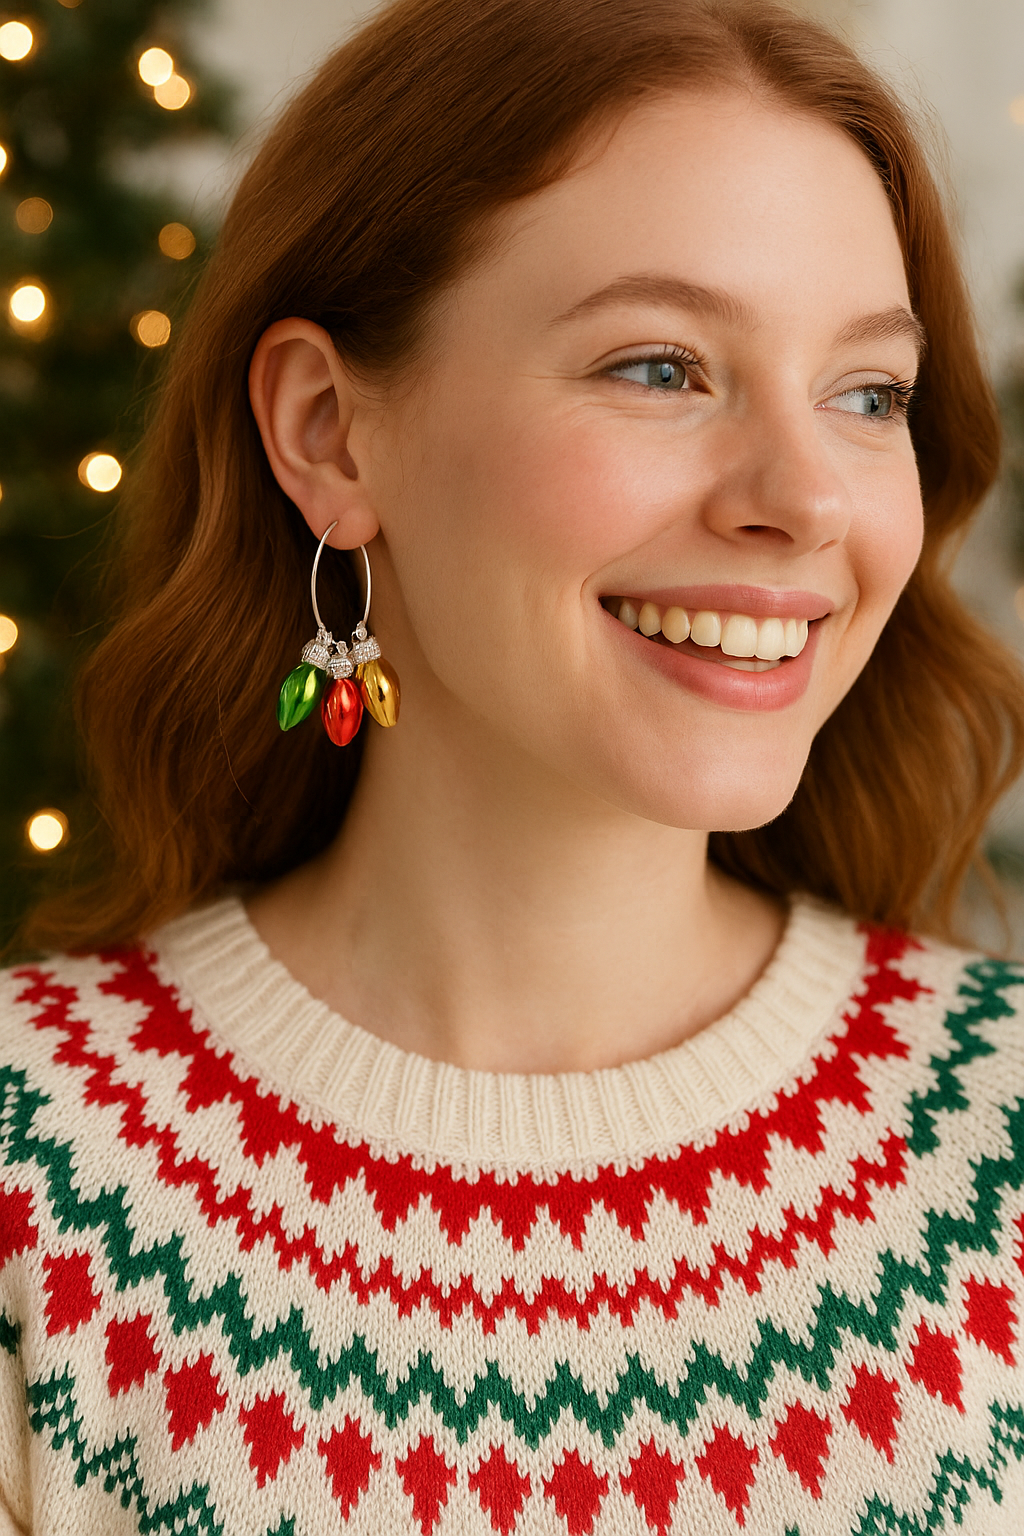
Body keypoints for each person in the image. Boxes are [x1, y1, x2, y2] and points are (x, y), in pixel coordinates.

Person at [2, 0, 1024, 1530]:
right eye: (661, 366)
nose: (808, 499)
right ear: (332, 432)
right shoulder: (37, 1176)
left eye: (867, 395)